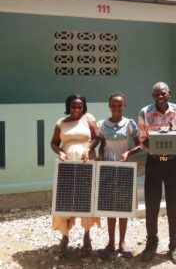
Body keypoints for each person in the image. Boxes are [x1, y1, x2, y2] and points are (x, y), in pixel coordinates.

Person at [138, 82, 176, 264]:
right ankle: (151, 242)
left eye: (163, 93)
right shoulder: (145, 112)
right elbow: (142, 139)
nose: (160, 96)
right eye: (156, 94)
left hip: (172, 163)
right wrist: (158, 143)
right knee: (152, 204)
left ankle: (174, 244)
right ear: (152, 95)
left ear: (169, 93)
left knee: (174, 205)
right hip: (154, 163)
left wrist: (168, 137)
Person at [50, 93, 100, 258]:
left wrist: (87, 149)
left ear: (83, 107)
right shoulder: (61, 122)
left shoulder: (88, 118)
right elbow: (54, 143)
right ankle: (64, 237)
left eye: (79, 106)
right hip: (67, 166)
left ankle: (87, 237)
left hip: (85, 164)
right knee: (65, 199)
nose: (77, 109)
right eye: (73, 106)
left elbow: (97, 137)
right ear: (68, 106)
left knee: (85, 199)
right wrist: (61, 152)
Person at [97, 91, 141, 259]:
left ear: (124, 106)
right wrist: (100, 155)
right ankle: (110, 242)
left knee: (123, 207)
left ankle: (122, 242)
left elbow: (140, 145)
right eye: (113, 104)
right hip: (107, 169)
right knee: (109, 207)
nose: (116, 107)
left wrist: (128, 154)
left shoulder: (130, 124)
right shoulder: (102, 125)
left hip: (125, 170)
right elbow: (101, 145)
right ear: (109, 106)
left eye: (119, 105)